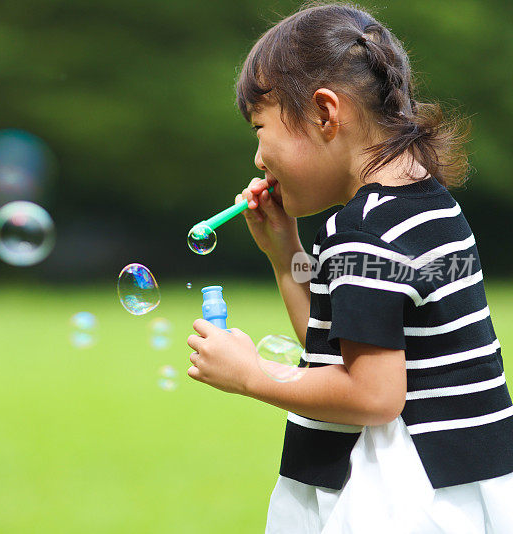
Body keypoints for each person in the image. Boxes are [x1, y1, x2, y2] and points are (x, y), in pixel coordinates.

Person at [185, 2, 513, 532]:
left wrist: (252, 375)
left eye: (259, 127)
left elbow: (372, 395)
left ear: (324, 113)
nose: (258, 158)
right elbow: (337, 351)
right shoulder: (429, 207)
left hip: (391, 495)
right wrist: (285, 252)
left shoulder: (361, 230)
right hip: (458, 489)